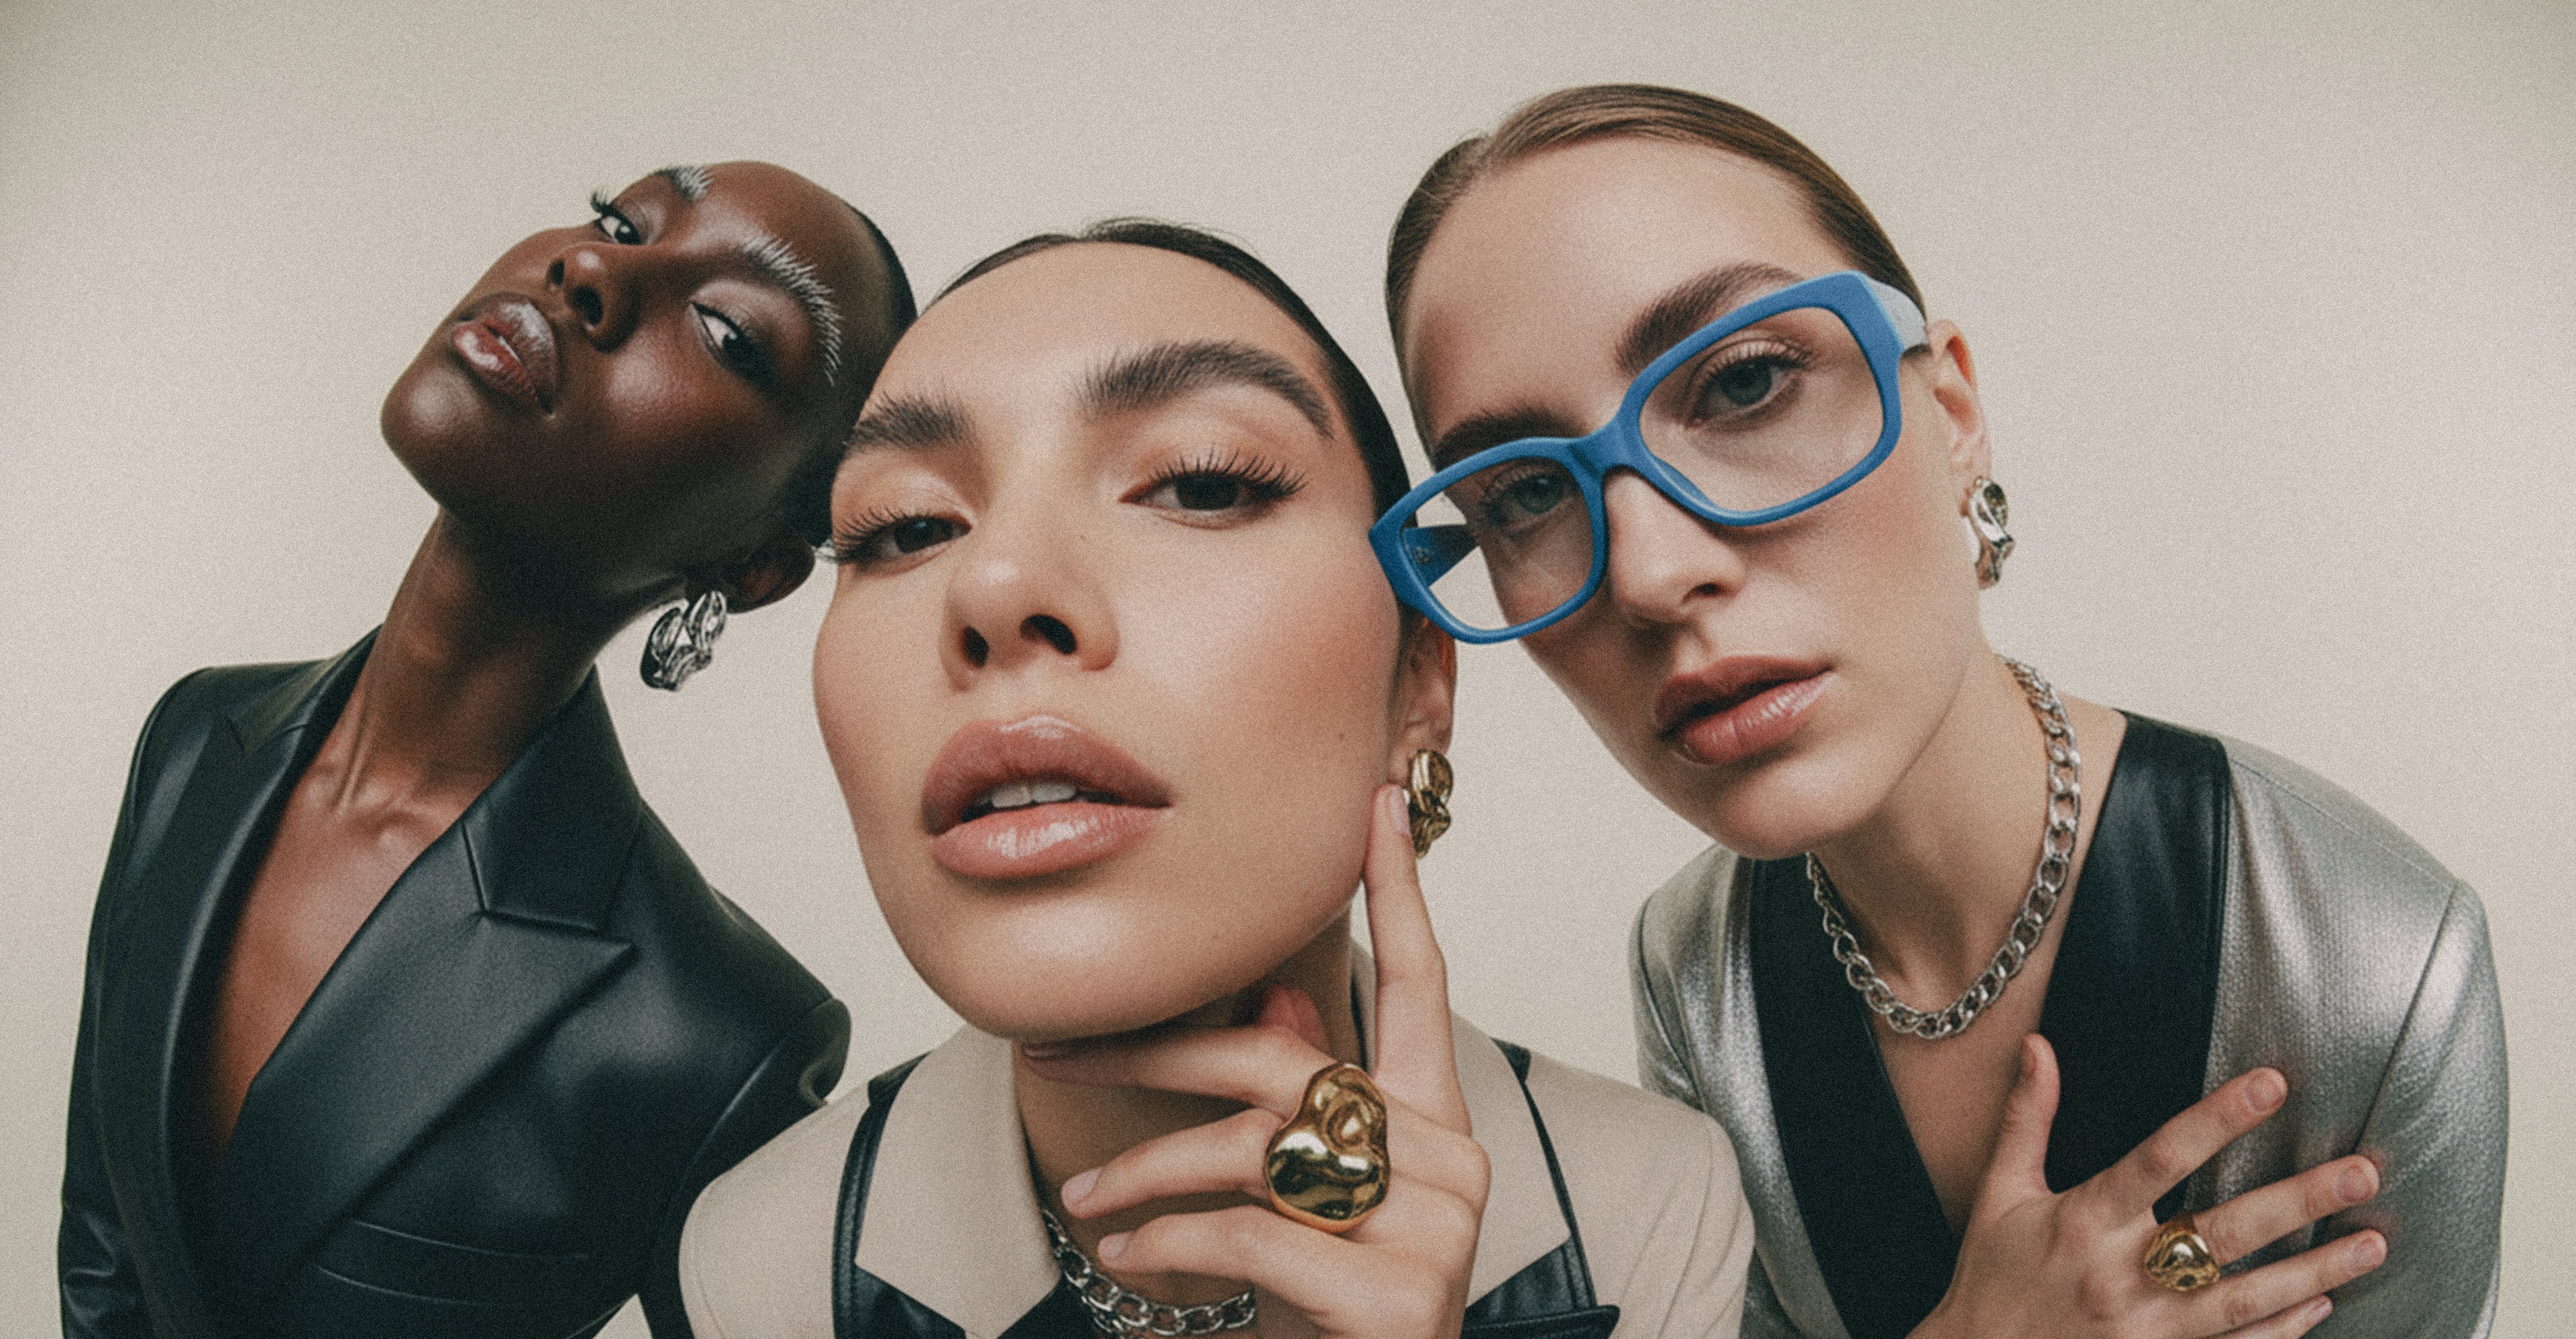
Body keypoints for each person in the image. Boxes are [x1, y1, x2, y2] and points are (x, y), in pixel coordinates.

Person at [1370, 85, 2504, 1339]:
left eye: (1745, 384)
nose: (1646, 570)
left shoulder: (2373, 962)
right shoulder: (1694, 963)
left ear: (1951, 413)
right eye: (1527, 493)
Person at [676, 220, 1756, 1338]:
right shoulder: (753, 1273)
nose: (992, 585)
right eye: (903, 529)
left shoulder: (1653, 1212)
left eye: (1198, 485)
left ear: (1420, 679)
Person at [60, 161, 914, 1338]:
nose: (592, 267)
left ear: (756, 563)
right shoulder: (195, 742)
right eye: (621, 218)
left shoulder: (714, 1036)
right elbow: (105, 1256)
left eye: (724, 329)